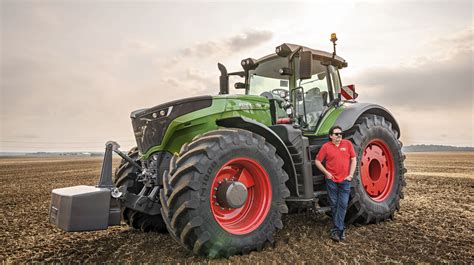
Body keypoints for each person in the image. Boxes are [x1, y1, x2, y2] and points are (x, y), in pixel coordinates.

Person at [315, 125, 356, 242]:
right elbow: (317, 161)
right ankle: (340, 230)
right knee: (334, 205)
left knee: (342, 204)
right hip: (331, 180)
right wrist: (326, 173)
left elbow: (353, 159)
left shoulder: (347, 144)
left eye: (340, 134)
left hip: (345, 181)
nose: (339, 136)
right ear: (330, 136)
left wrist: (351, 175)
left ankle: (336, 230)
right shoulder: (326, 147)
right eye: (336, 134)